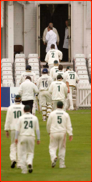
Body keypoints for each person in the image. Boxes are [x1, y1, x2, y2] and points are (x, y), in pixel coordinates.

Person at [47, 101, 73, 168]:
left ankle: (54, 157)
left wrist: (48, 131)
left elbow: (48, 124)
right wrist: (70, 134)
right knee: (62, 148)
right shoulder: (65, 114)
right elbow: (68, 125)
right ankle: (62, 164)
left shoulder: (52, 114)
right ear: (62, 106)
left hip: (53, 132)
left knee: (52, 147)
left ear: (56, 106)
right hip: (62, 133)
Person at [15, 105, 40, 174]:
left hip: (22, 136)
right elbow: (37, 129)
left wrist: (16, 137)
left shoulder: (20, 118)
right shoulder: (34, 118)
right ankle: (29, 162)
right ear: (30, 110)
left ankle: (24, 170)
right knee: (30, 152)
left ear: (23, 110)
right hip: (31, 136)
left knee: (23, 153)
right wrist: (38, 138)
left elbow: (17, 129)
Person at [4, 95, 24, 168]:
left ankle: (13, 159)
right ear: (20, 100)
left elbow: (8, 119)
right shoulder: (23, 107)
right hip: (21, 129)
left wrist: (6, 129)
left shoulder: (10, 108)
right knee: (20, 145)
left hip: (13, 129)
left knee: (13, 144)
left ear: (14, 100)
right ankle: (19, 163)